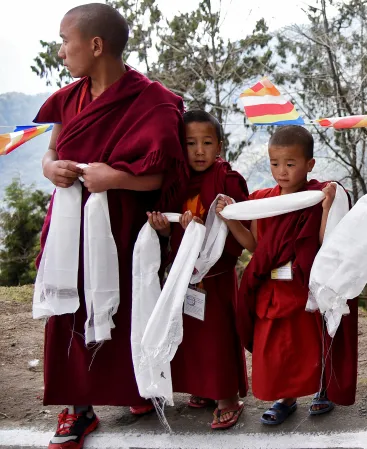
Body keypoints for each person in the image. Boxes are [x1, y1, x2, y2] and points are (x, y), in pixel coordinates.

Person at [33, 4, 186, 448]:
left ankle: (135, 389)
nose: (61, 51)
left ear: (96, 45)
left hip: (124, 225)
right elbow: (52, 150)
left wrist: (115, 178)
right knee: (71, 309)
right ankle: (77, 409)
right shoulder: (69, 98)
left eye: (66, 41)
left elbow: (164, 174)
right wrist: (49, 167)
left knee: (130, 304)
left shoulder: (153, 101)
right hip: (71, 226)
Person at [216, 125, 357, 426]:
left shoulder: (317, 196)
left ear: (309, 164)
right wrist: (230, 220)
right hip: (271, 287)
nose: (281, 171)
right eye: (275, 163)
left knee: (310, 344)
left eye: (290, 164)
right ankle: (285, 398)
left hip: (302, 285)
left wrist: (328, 207)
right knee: (277, 348)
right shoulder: (263, 200)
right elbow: (255, 246)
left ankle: (322, 388)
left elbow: (324, 241)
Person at [146, 110, 249, 429]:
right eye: (191, 143)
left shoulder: (228, 180)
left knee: (217, 337)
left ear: (219, 145)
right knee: (190, 336)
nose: (199, 151)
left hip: (215, 276)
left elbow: (242, 225)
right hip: (183, 275)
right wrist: (165, 229)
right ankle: (202, 389)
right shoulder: (177, 181)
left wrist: (215, 220)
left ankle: (227, 399)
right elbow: (171, 232)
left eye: (207, 142)